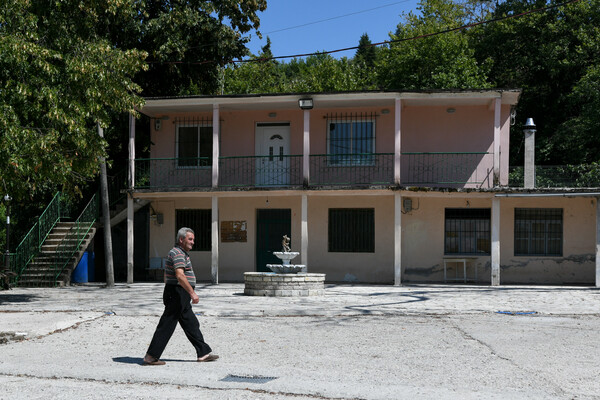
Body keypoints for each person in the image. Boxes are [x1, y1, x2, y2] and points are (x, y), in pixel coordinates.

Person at [143, 227, 218, 365]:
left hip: (178, 294)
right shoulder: (177, 253)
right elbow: (180, 275)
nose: (193, 242)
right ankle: (151, 356)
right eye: (190, 239)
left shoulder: (179, 253)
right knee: (167, 324)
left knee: (191, 323)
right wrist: (192, 293)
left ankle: (203, 352)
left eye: (193, 239)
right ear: (181, 239)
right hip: (178, 294)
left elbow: (169, 276)